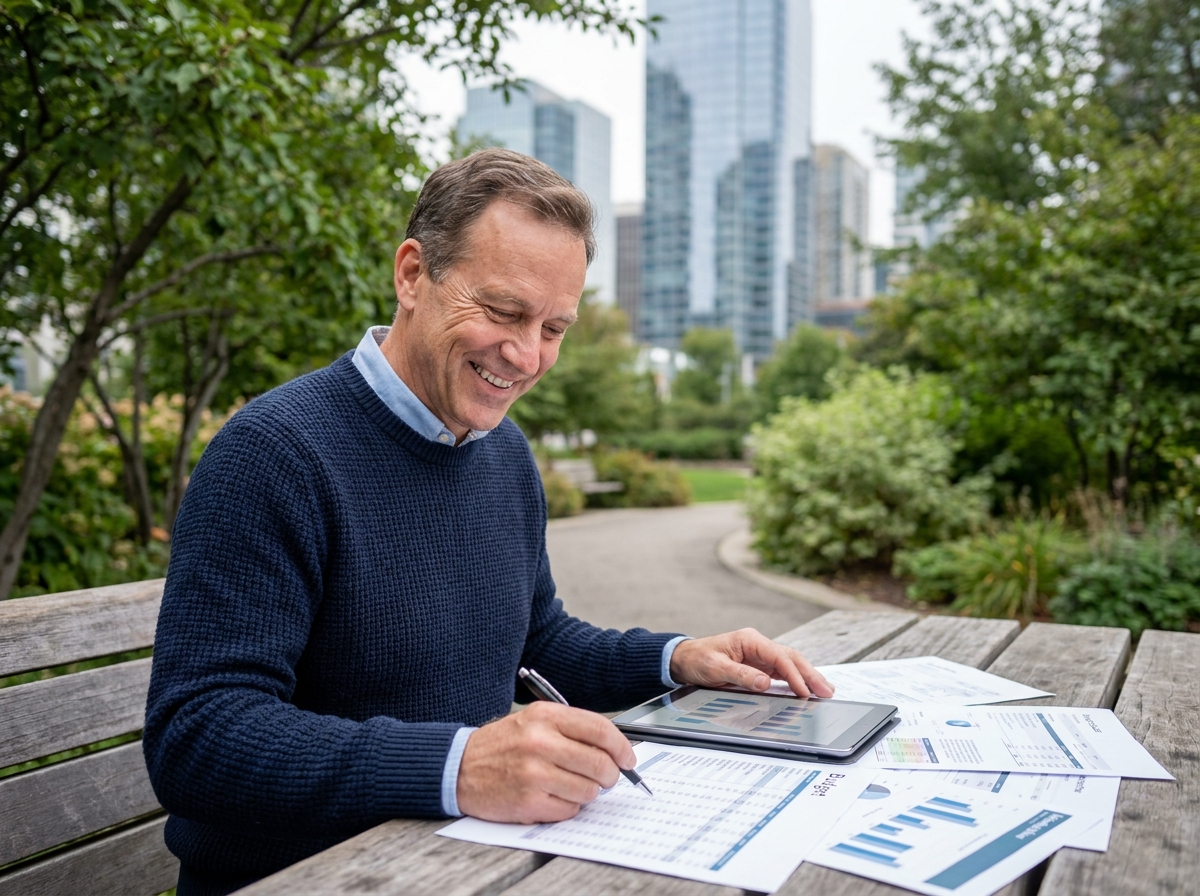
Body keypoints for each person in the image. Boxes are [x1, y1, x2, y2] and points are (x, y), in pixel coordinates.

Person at [143, 149, 832, 896]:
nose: (526, 355)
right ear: (412, 275)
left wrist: (676, 660)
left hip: (463, 864)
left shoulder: (503, 453)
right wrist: (459, 766)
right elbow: (198, 737)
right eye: (504, 311)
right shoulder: (274, 455)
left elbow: (536, 644)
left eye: (553, 327)